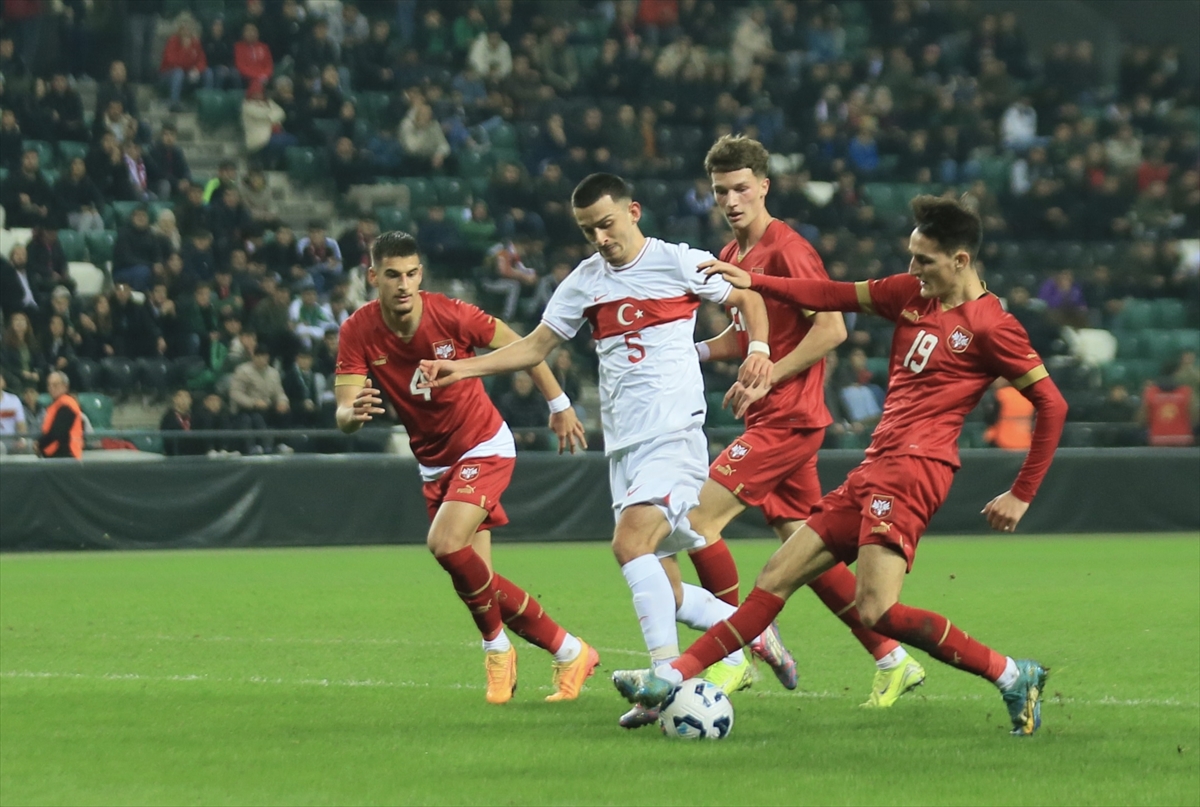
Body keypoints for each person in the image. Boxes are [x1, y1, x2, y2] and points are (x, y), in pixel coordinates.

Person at [613, 195, 1069, 738]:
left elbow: (1053, 405)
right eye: (911, 256)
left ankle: (1012, 674)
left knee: (876, 609)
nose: (912, 269)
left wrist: (1022, 493)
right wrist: (757, 282)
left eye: (924, 260)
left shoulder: (993, 326)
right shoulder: (910, 294)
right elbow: (829, 294)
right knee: (775, 577)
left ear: (960, 261)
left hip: (915, 471)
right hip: (875, 467)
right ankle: (669, 678)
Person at [419, 174, 774, 728]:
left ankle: (663, 679)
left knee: (629, 545)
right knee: (668, 590)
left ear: (633, 211)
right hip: (623, 450)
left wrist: (759, 348)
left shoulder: (678, 261)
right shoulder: (585, 281)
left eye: (606, 224)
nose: (600, 238)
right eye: (589, 231)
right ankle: (750, 629)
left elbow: (748, 295)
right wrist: (462, 369)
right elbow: (535, 346)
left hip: (674, 436)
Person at [686, 135, 925, 708]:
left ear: (764, 186)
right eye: (721, 191)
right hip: (770, 415)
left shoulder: (788, 249)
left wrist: (769, 374)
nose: (731, 200)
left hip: (788, 418)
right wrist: (690, 354)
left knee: (696, 521)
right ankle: (893, 660)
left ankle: (737, 652)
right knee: (806, 550)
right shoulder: (733, 252)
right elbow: (745, 339)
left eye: (741, 188)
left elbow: (832, 329)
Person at [334, 230, 598, 705]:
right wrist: (351, 414)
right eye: (392, 275)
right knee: (477, 581)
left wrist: (559, 403)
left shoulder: (452, 314)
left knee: (444, 543)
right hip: (433, 463)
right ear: (373, 277)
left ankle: (496, 650)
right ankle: (571, 651)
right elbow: (344, 411)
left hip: (483, 445)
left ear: (421, 274)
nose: (403, 284)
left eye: (411, 274)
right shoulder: (357, 329)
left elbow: (525, 347)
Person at [37, 371, 83, 459]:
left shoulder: (67, 405)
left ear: (65, 386)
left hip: (66, 455)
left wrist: (39, 444)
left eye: (55, 385)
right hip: (56, 455)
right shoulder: (56, 405)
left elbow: (57, 433)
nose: (51, 388)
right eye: (49, 385)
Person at [0, 372, 28, 453]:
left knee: (28, 445)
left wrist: (22, 439)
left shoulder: (13, 400)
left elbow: (21, 425)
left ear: (4, 382)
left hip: (12, 442)